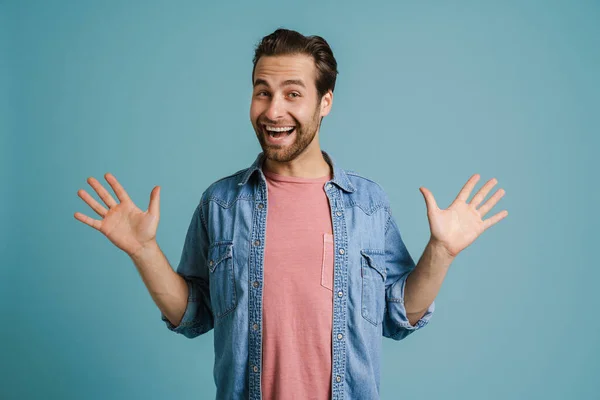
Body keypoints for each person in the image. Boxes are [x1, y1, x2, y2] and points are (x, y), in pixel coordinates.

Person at [74, 28, 508, 400]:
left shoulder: (368, 204)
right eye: (263, 91)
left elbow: (398, 316)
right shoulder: (221, 203)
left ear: (325, 102)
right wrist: (144, 251)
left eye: (293, 94)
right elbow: (194, 315)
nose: (273, 110)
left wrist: (443, 252)